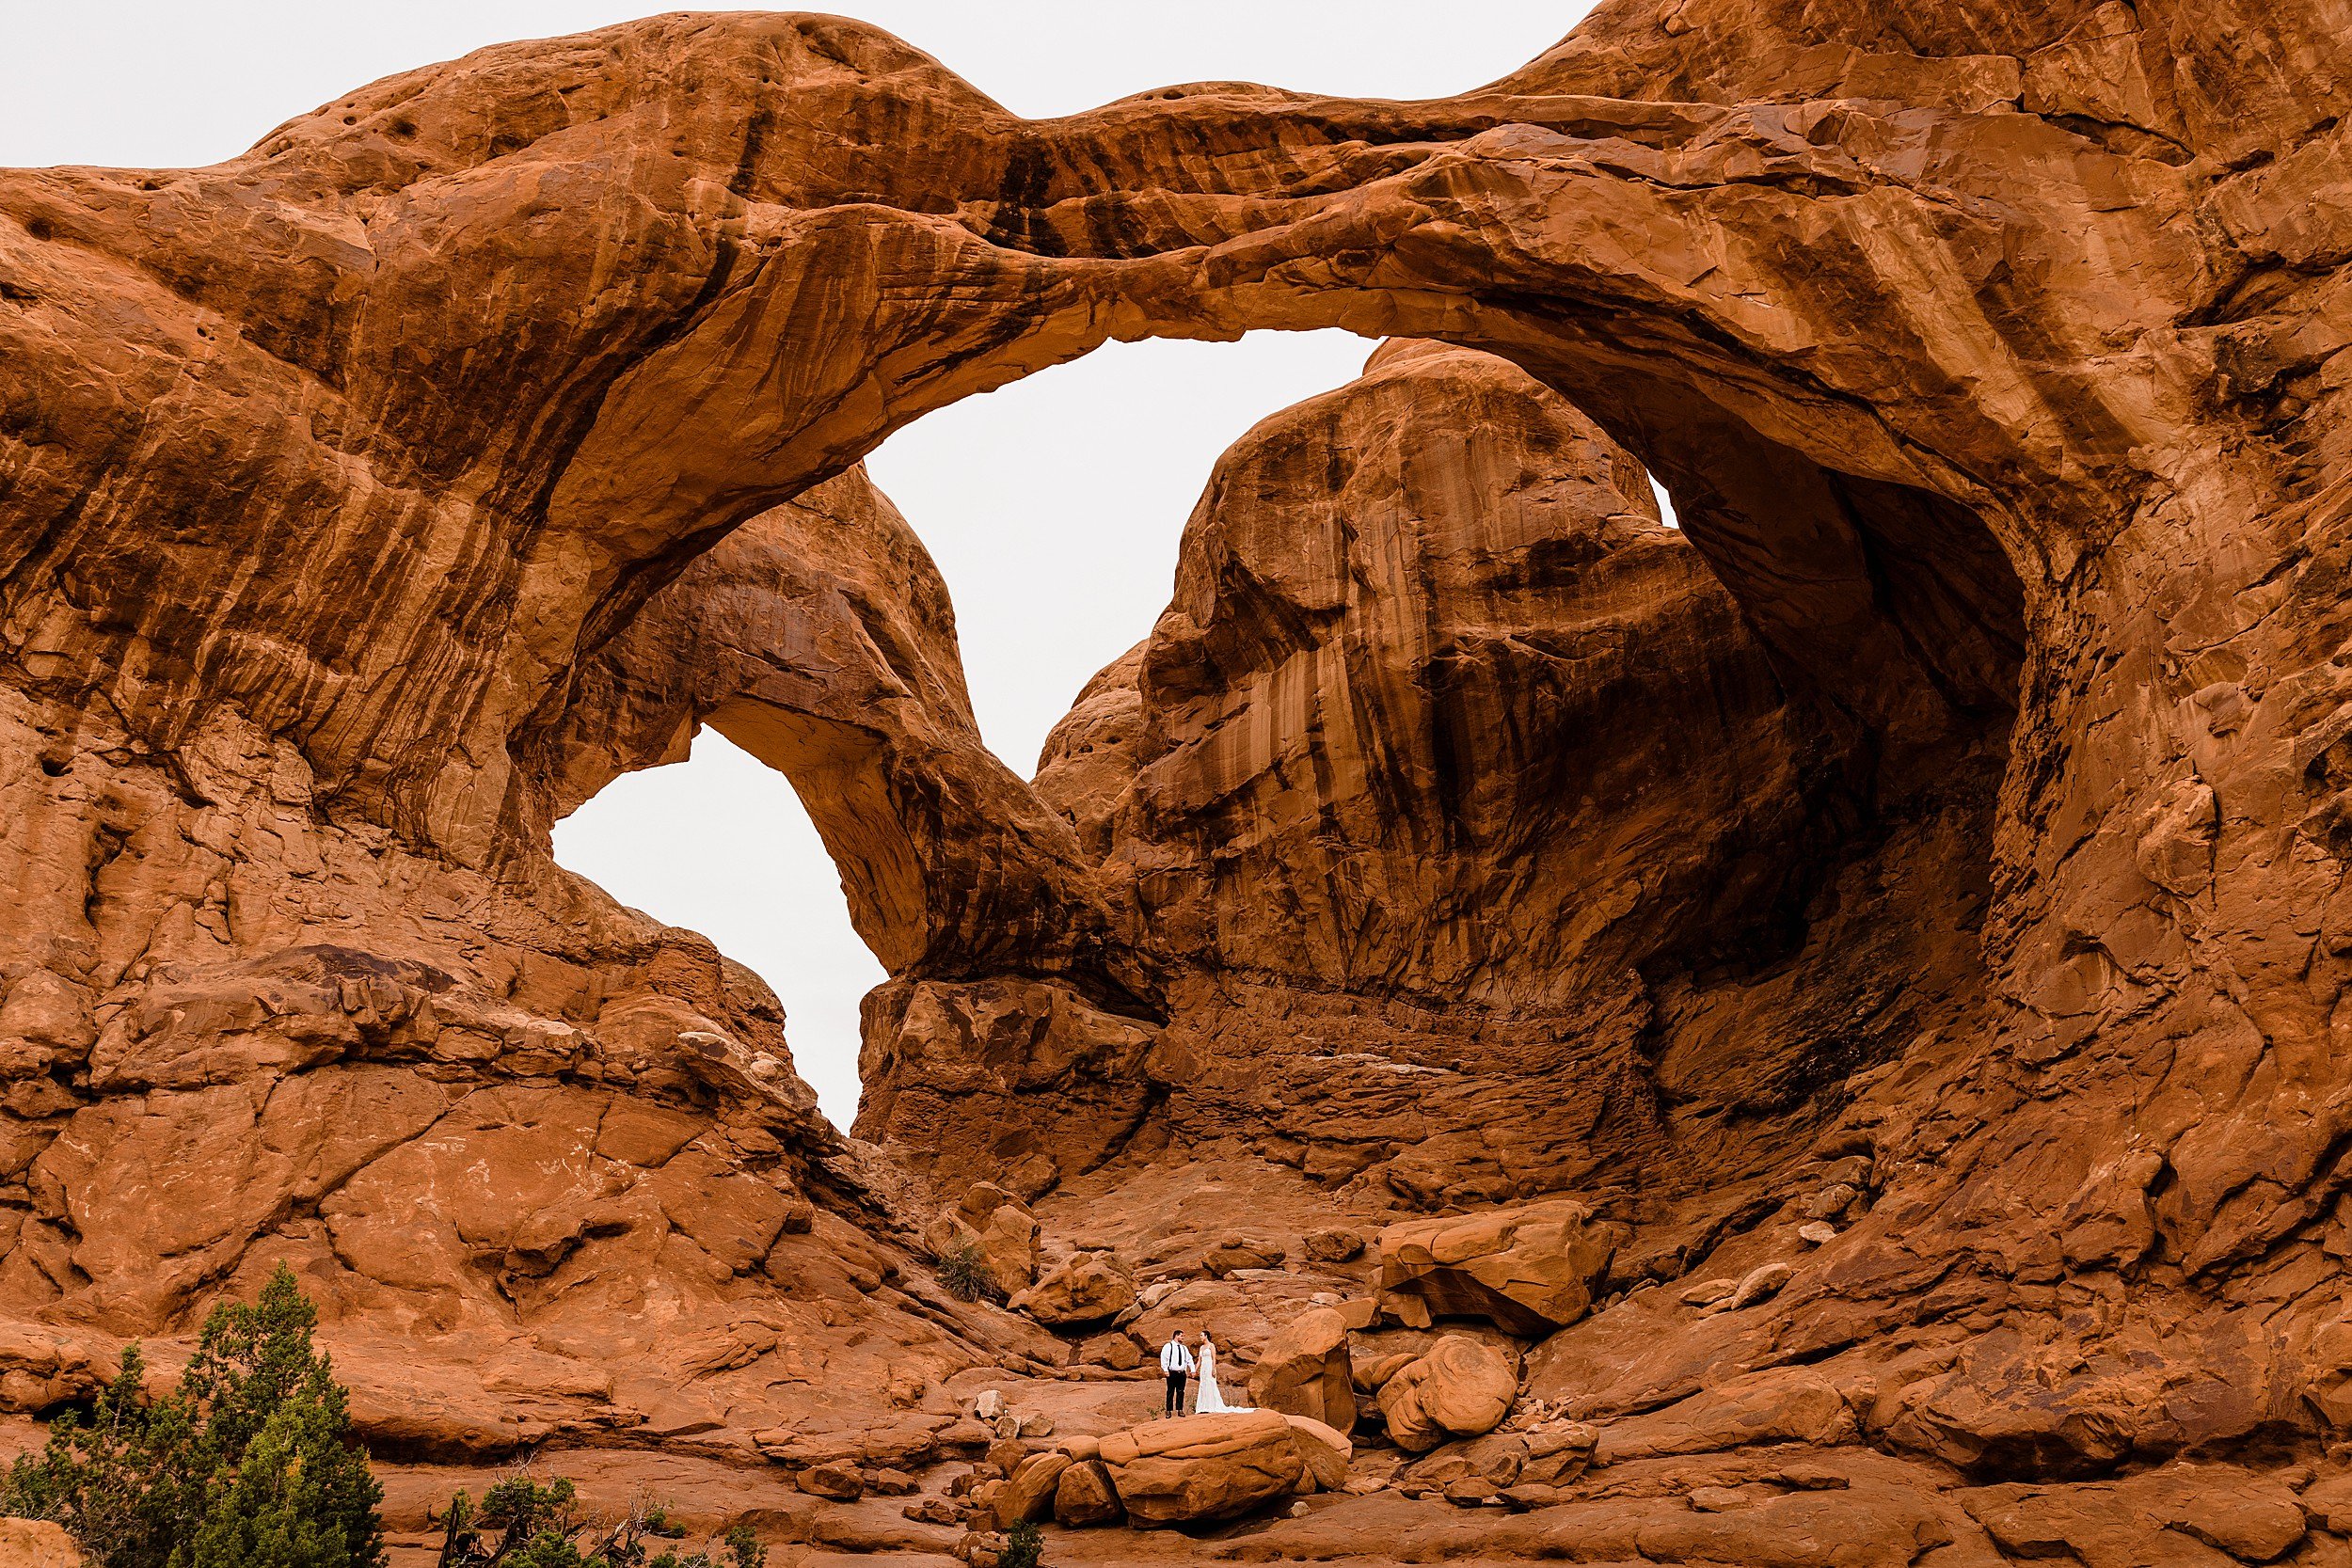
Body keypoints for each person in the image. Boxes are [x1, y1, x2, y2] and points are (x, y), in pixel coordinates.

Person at [1194, 1333, 1246, 1414]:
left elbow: (1214, 1358)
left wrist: (1213, 1369)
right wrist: (1195, 1370)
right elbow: (1199, 1361)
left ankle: (1211, 1406)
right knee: (1203, 1385)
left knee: (1210, 1384)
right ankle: (1203, 1407)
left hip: (1209, 1367)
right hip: (1203, 1368)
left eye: (1201, 1335)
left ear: (1206, 1336)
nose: (1200, 1337)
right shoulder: (1201, 1347)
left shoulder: (1211, 1346)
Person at [1159, 1330, 1196, 1418]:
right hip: (1172, 1373)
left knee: (1181, 1391)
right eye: (1181, 1336)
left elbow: (1189, 1359)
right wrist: (1165, 1370)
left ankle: (1180, 1410)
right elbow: (1164, 1358)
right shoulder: (1169, 1346)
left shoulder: (1184, 1348)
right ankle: (1168, 1410)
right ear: (1176, 1336)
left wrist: (1193, 1370)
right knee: (1170, 1391)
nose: (1183, 1338)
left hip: (1181, 1373)